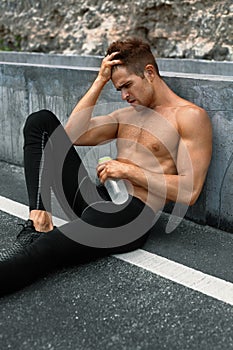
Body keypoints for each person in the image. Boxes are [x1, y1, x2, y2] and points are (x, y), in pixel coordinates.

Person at [0, 38, 212, 295]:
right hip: (98, 199)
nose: (124, 96)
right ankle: (39, 218)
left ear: (149, 72)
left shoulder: (189, 116)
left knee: (45, 249)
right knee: (40, 121)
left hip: (132, 215)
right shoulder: (125, 115)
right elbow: (70, 137)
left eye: (127, 86)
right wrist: (99, 82)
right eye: (118, 90)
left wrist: (128, 171)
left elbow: (190, 192)